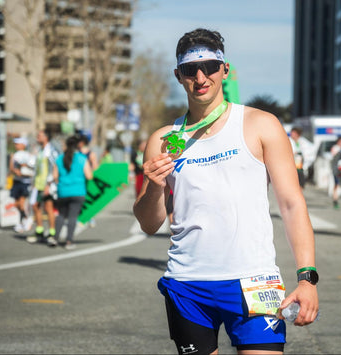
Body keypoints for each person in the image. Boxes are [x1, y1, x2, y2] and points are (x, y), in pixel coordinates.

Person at [133, 28, 318, 354]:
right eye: (190, 69)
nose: (201, 77)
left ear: (225, 69)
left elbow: (291, 203)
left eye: (210, 66)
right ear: (179, 75)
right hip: (188, 285)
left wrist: (307, 279)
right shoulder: (163, 139)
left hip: (255, 280)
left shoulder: (261, 124)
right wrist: (153, 185)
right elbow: (149, 224)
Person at [48, 136, 92, 249]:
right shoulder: (82, 158)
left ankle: (55, 238)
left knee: (61, 215)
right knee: (73, 217)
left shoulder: (59, 159)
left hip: (63, 191)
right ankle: (69, 241)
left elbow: (55, 176)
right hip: (78, 191)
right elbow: (89, 176)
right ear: (79, 145)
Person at [27, 130, 59, 244]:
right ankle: (39, 231)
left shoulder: (51, 151)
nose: (37, 137)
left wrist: (49, 184)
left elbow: (55, 166)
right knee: (35, 206)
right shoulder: (40, 150)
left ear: (46, 137)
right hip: (37, 184)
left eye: (39, 136)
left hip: (47, 184)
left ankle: (52, 233)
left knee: (48, 207)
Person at [9, 137, 34, 233]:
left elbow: (31, 168)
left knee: (21, 203)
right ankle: (23, 219)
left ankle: (27, 218)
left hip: (26, 182)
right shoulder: (14, 155)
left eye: (18, 144)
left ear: (23, 145)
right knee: (16, 204)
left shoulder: (28, 155)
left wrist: (24, 169)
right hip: (17, 181)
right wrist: (15, 169)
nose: (16, 146)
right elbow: (12, 169)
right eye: (15, 144)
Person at [76, 132, 98, 227]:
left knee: (88, 198)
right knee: (79, 198)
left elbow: (95, 167)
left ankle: (90, 217)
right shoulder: (76, 153)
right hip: (79, 179)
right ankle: (80, 217)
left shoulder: (90, 153)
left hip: (88, 179)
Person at [330, 136, 341, 209]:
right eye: (340, 141)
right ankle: (335, 200)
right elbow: (334, 156)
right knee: (336, 185)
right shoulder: (335, 148)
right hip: (337, 169)